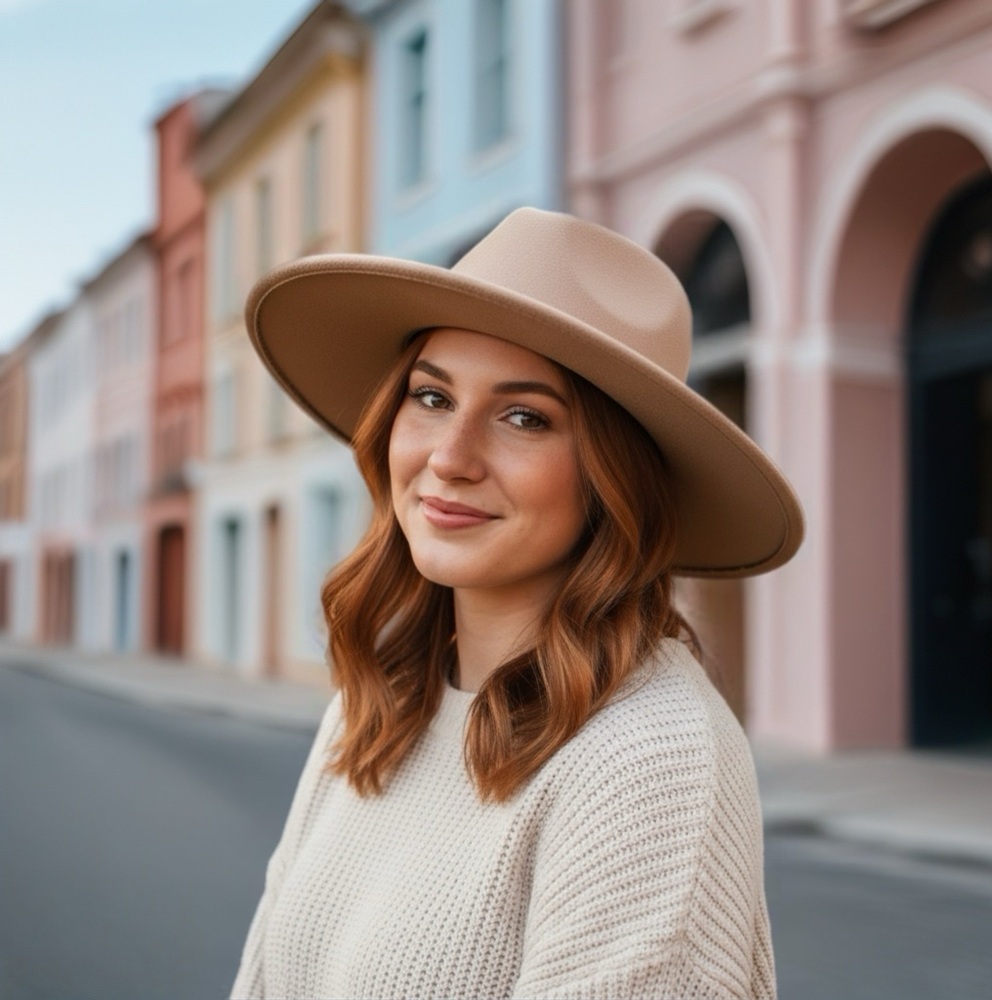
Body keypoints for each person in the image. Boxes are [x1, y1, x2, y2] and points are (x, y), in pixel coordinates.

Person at [230, 208, 804, 1000]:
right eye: (431, 398)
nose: (450, 457)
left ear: (615, 478)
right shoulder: (380, 702)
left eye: (524, 417)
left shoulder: (649, 760)